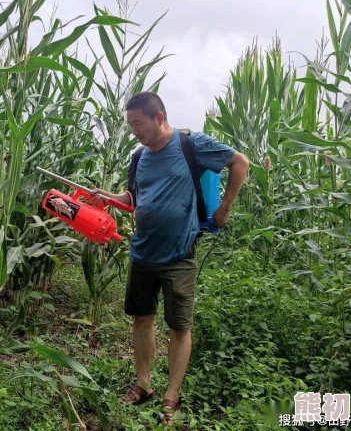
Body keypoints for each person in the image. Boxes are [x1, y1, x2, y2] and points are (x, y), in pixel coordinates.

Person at [87, 92, 249, 426]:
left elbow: (240, 162)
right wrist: (109, 198)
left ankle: (172, 395)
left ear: (158, 117)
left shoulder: (191, 144)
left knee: (179, 326)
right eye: (130, 124)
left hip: (178, 255)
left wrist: (225, 207)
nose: (134, 131)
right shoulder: (139, 156)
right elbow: (134, 196)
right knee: (142, 318)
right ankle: (144, 384)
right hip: (143, 252)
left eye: (138, 123)